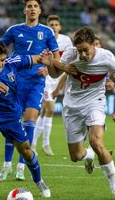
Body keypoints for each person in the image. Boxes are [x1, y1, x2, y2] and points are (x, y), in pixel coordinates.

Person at [0, 0, 77, 181]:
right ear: (24, 10)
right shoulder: (14, 30)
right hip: (15, 82)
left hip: (35, 82)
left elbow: (56, 60)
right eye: (29, 6)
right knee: (13, 123)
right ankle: (6, 165)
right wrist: (7, 66)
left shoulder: (47, 32)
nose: (32, 8)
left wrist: (48, 67)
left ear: (40, 10)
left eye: (35, 6)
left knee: (30, 122)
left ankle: (21, 166)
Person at [48, 27, 115, 200]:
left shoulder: (106, 57)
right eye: (79, 51)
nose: (82, 55)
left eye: (85, 50)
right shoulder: (71, 54)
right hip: (71, 108)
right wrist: (51, 63)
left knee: (96, 141)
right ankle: (88, 155)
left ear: (94, 44)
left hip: (95, 104)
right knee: (75, 156)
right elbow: (54, 73)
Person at [0, 40, 51, 200]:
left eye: (2, 60)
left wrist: (46, 60)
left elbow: (36, 59)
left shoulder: (12, 62)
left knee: (27, 152)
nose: (0, 64)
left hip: (12, 117)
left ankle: (39, 181)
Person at [31, 15, 73, 156]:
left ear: (60, 27)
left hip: (58, 77)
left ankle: (33, 142)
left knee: (45, 112)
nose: (54, 26)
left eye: (56, 24)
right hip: (45, 79)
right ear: (48, 27)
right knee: (50, 109)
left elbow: (70, 58)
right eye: (51, 24)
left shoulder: (66, 40)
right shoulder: (43, 38)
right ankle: (46, 143)